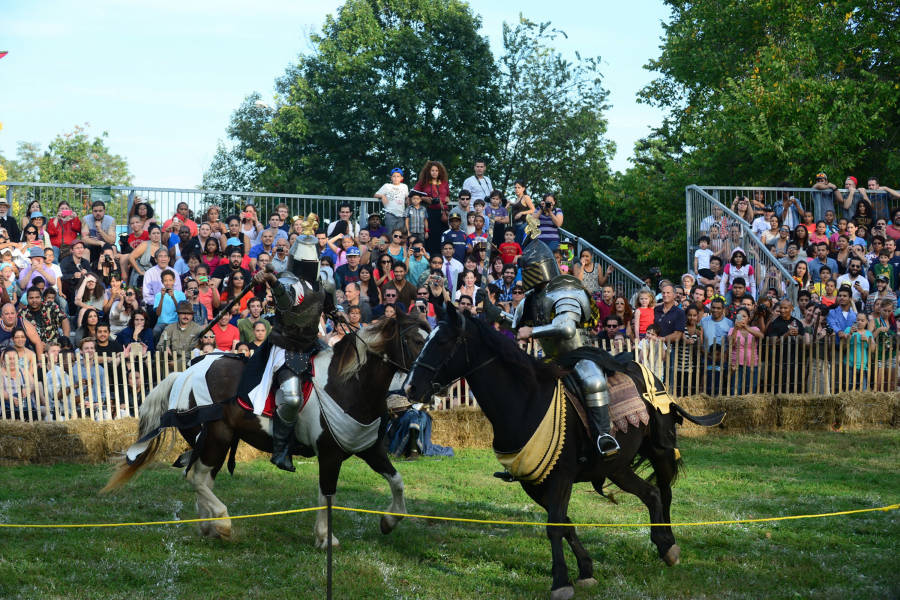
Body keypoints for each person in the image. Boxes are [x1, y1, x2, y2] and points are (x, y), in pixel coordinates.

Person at [240, 222, 338, 472]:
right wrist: (272, 281)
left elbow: (328, 306)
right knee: (292, 398)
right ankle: (281, 450)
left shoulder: (325, 282)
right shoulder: (287, 280)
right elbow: (286, 300)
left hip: (312, 343)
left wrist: (337, 315)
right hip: (287, 346)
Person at [514, 239, 619, 456]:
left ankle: (603, 436)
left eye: (529, 270)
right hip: (553, 357)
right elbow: (517, 326)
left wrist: (532, 332)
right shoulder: (531, 299)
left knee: (594, 381)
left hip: (578, 354)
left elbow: (567, 328)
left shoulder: (564, 292)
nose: (526, 275)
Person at [413, 160, 450, 256]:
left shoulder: (444, 183)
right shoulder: (423, 182)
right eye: (432, 170)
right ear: (428, 171)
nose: (434, 172)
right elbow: (413, 194)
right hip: (429, 212)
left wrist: (446, 200)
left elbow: (448, 196)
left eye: (436, 170)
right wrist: (424, 198)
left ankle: (440, 259)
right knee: (429, 236)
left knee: (441, 236)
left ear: (439, 171)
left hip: (442, 213)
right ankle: (430, 258)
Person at [153, 270, 187, 340]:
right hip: (161, 323)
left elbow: (181, 312)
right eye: (165, 280)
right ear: (162, 282)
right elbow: (158, 313)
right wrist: (162, 297)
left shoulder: (181, 294)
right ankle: (157, 350)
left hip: (175, 322)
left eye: (170, 280)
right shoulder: (158, 295)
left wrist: (173, 297)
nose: (168, 283)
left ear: (174, 281)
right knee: (156, 331)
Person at [375, 168, 409, 236]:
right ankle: (389, 246)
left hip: (401, 215)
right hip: (390, 214)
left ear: (401, 178)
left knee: (399, 234)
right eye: (394, 176)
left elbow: (407, 197)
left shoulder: (404, 186)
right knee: (390, 234)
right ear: (391, 178)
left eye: (398, 176)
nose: (396, 178)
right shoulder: (387, 186)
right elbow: (375, 195)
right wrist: (382, 196)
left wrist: (409, 201)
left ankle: (398, 247)